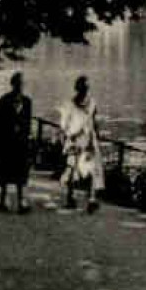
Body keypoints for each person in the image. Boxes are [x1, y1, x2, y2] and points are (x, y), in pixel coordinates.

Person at [0, 72, 34, 213]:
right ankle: (4, 200)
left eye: (22, 84)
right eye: (18, 83)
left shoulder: (27, 101)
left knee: (22, 171)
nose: (20, 86)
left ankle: (21, 201)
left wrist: (28, 136)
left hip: (21, 142)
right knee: (5, 170)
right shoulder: (4, 100)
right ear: (13, 84)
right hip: (7, 141)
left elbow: (28, 122)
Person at [58, 75, 102, 213]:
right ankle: (87, 198)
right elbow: (93, 122)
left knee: (85, 168)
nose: (85, 91)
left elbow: (93, 122)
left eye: (86, 88)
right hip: (79, 139)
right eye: (84, 88)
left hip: (83, 139)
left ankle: (88, 199)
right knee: (77, 168)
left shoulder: (84, 103)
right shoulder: (74, 104)